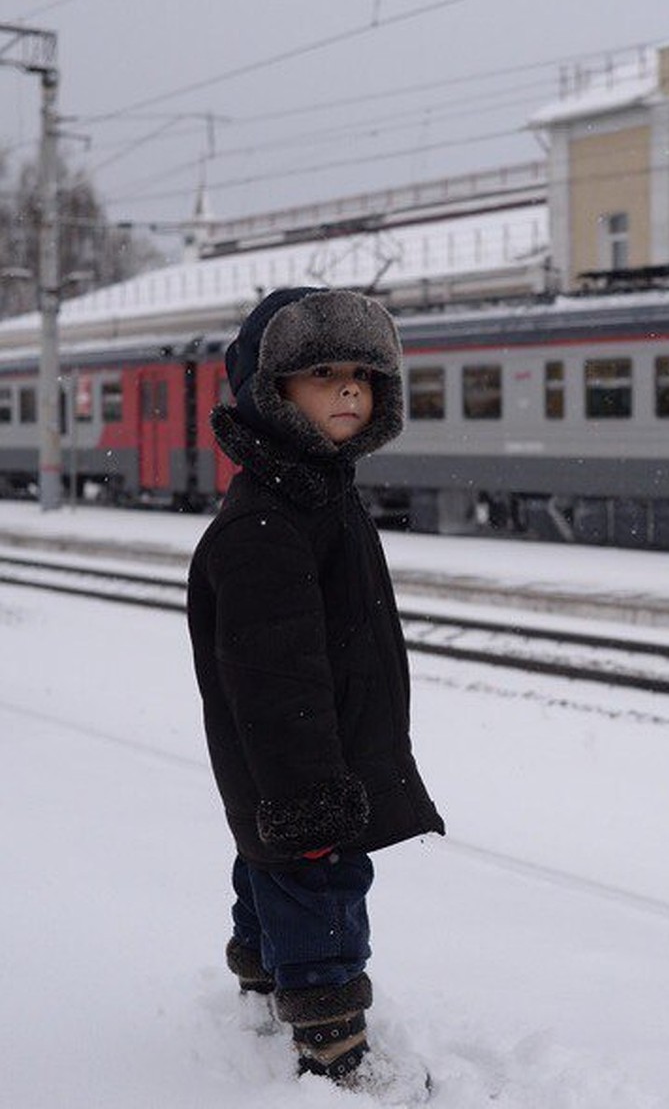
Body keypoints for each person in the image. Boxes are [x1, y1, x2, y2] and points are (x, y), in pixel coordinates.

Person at [186, 286, 445, 1084]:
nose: (348, 389)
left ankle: (261, 981)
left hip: (310, 753)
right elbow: (275, 681)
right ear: (271, 392)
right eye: (323, 371)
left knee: (271, 869)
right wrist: (314, 796)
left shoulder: (314, 493)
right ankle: (334, 1052)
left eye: (364, 375)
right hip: (304, 764)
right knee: (321, 885)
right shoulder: (269, 523)